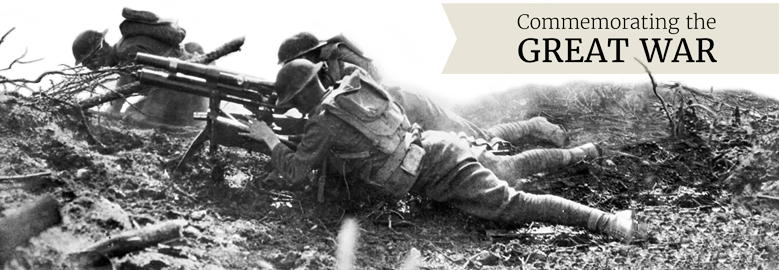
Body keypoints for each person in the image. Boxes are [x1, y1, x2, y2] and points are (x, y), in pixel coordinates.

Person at [241, 59, 649, 242]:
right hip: (435, 150)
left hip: (437, 167)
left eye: (292, 101)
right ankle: (583, 157)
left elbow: (295, 174)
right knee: (509, 170)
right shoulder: (350, 90)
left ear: (299, 97)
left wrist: (268, 137)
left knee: (510, 204)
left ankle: (611, 223)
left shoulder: (323, 122)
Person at [276, 31, 600, 183]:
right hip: (402, 119)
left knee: (478, 136)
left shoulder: (341, 59)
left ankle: (536, 126)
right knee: (474, 139)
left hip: (409, 110)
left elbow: (371, 94)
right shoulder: (331, 61)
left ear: (312, 54)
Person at [71, 7, 209, 127]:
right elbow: (123, 85)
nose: (93, 67)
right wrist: (112, 110)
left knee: (138, 120)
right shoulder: (123, 52)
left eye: (89, 62)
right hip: (186, 90)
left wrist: (147, 114)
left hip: (191, 94)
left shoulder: (128, 52)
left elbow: (161, 80)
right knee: (130, 114)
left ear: (99, 52)